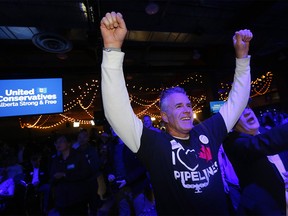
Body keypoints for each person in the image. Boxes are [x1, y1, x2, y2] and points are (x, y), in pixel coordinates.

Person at [100, 11, 252, 215]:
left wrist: (242, 59)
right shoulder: (154, 145)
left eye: (188, 105)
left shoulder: (208, 131)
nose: (187, 109)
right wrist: (112, 49)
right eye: (179, 107)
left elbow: (237, 101)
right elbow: (117, 112)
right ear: (164, 116)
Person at [223, 106, 288, 215]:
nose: (247, 113)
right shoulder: (232, 142)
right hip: (265, 209)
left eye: (248, 108)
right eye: (240, 112)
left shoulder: (265, 131)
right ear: (232, 123)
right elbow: (263, 143)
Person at [49, 133, 92, 216]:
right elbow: (51, 177)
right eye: (56, 142)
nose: (58, 144)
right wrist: (55, 178)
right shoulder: (56, 160)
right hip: (62, 200)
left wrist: (65, 175)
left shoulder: (78, 156)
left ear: (69, 143)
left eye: (61, 141)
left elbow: (86, 172)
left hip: (78, 199)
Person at [218, 144, 241, 215]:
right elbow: (220, 159)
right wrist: (223, 179)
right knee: (238, 209)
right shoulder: (224, 139)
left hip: (250, 181)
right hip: (232, 182)